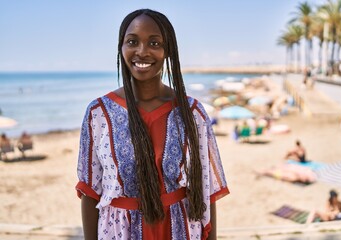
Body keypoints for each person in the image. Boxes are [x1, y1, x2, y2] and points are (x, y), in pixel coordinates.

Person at [75, 9, 229, 240]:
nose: (142, 51)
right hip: (119, 232)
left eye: (154, 43)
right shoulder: (98, 113)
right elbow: (90, 191)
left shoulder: (192, 113)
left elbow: (206, 189)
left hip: (179, 230)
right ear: (121, 47)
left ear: (168, 51)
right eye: (132, 42)